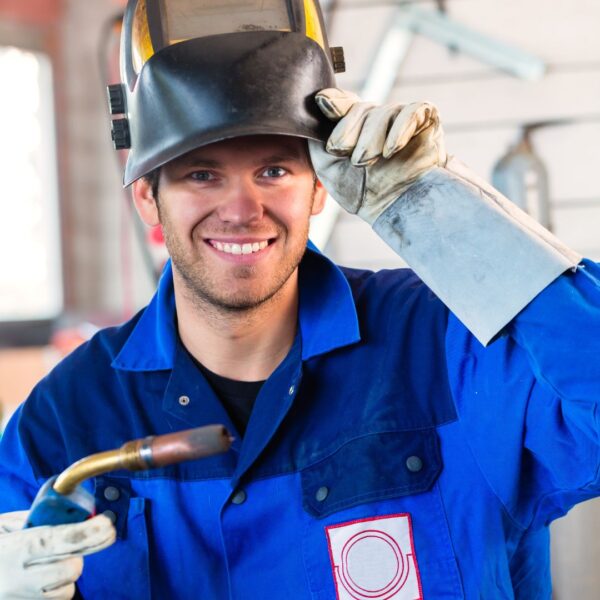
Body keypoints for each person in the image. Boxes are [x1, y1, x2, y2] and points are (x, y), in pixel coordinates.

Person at [1, 1, 599, 599]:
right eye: (202, 175)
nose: (241, 211)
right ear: (148, 201)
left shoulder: (447, 344)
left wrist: (443, 208)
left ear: (319, 189)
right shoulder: (67, 417)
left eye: (273, 171)